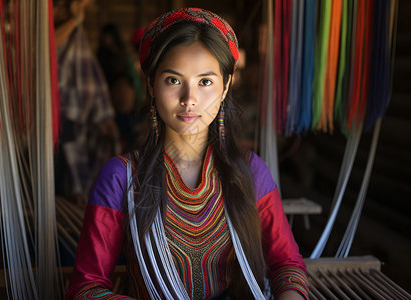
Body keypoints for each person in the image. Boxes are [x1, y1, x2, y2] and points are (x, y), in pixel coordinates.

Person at [65, 7, 309, 300]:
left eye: (205, 82)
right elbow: (85, 287)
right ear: (152, 84)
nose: (189, 100)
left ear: (225, 86)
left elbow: (287, 265)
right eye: (173, 80)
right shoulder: (121, 177)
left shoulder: (251, 171)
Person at [53, 0, 120, 206]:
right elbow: (49, 47)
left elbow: (91, 74)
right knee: (57, 172)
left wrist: (104, 112)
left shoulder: (76, 32)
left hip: (78, 112)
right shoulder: (55, 29)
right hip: (59, 110)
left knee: (77, 166)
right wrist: (74, 18)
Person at [97, 23, 143, 151]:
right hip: (110, 100)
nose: (106, 40)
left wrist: (136, 98)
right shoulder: (101, 57)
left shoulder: (124, 56)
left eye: (109, 36)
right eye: (104, 36)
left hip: (125, 101)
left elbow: (133, 80)